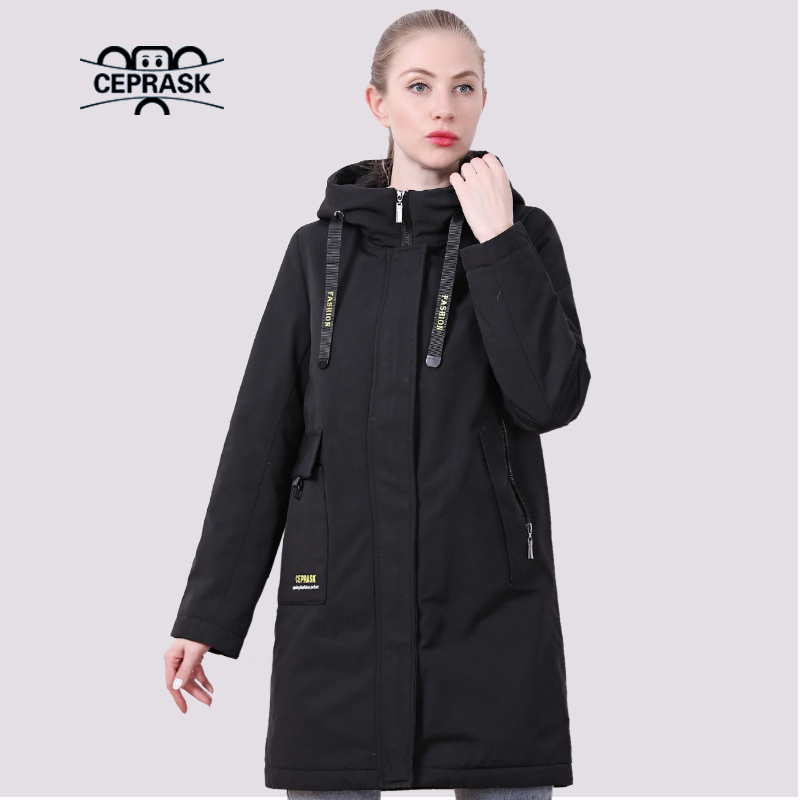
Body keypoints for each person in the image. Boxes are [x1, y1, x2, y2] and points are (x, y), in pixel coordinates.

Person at [164, 9, 590, 800]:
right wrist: (206, 617)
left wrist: (498, 243)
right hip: (339, 610)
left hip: (488, 609)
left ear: (485, 100)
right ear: (378, 103)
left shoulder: (522, 236)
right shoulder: (314, 252)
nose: (443, 107)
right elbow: (262, 438)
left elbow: (549, 400)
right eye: (419, 86)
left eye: (464, 87)